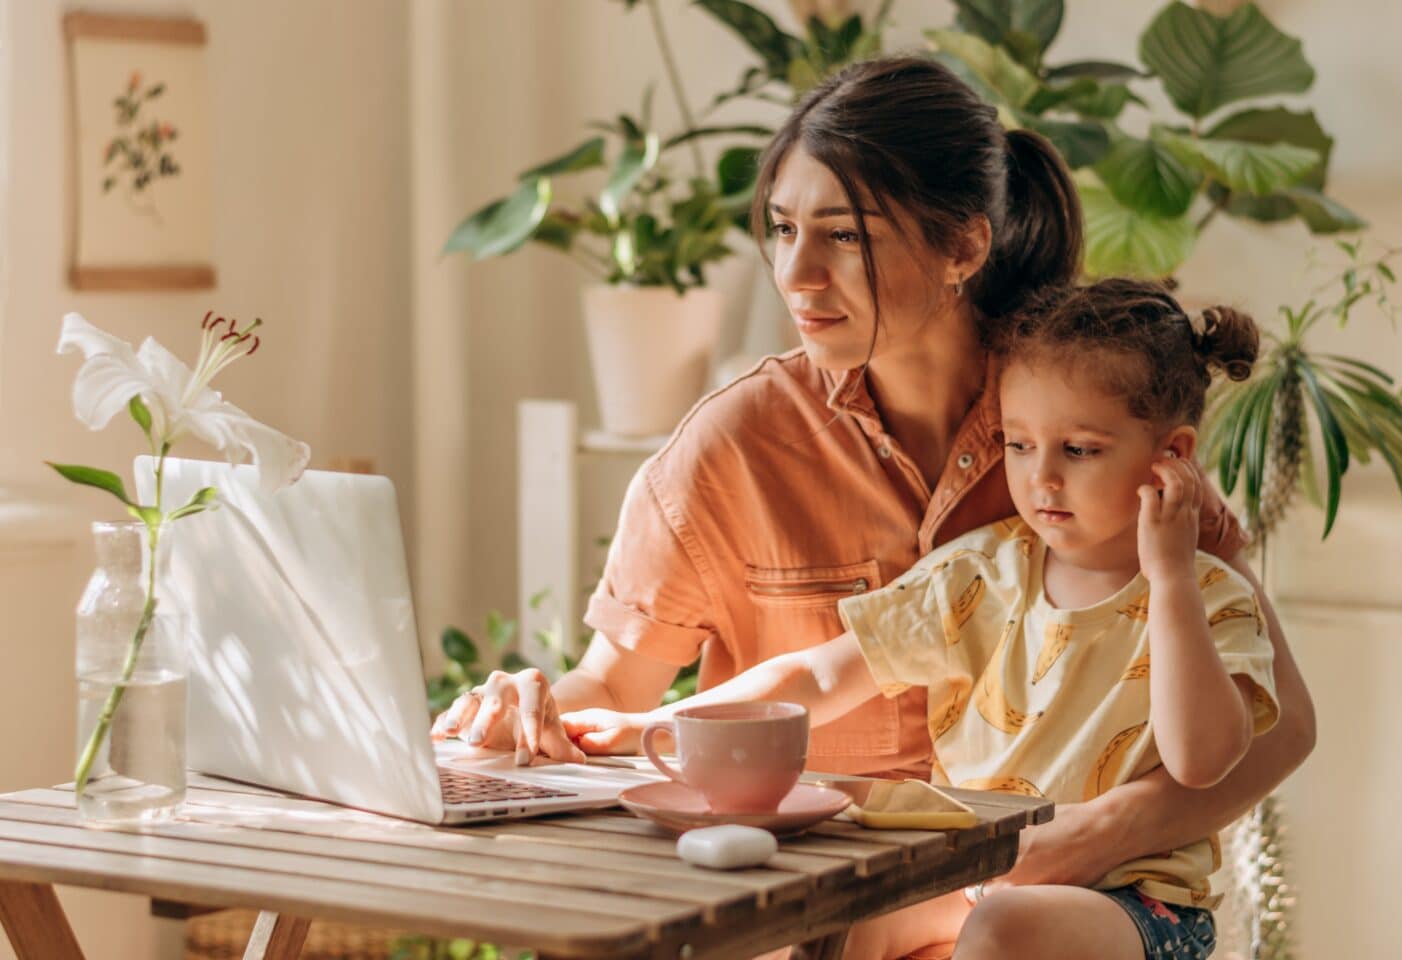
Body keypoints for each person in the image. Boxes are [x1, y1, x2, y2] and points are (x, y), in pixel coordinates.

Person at [433, 56, 1315, 957]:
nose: (797, 273)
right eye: (781, 228)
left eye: (843, 236)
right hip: (821, 908)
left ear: (963, 248)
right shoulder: (731, 446)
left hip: (1048, 911)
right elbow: (619, 692)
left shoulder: (1095, 440)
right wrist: (531, 716)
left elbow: (1282, 726)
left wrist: (1106, 831)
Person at [560, 278, 1280, 959]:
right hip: (976, 878)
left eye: (1079, 450)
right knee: (833, 916)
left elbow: (1201, 760)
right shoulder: (980, 573)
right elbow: (817, 674)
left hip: (1136, 905)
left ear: (1172, 458)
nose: (1042, 478)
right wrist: (662, 727)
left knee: (1004, 927)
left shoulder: (1212, 597)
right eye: (1019, 445)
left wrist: (1172, 578)